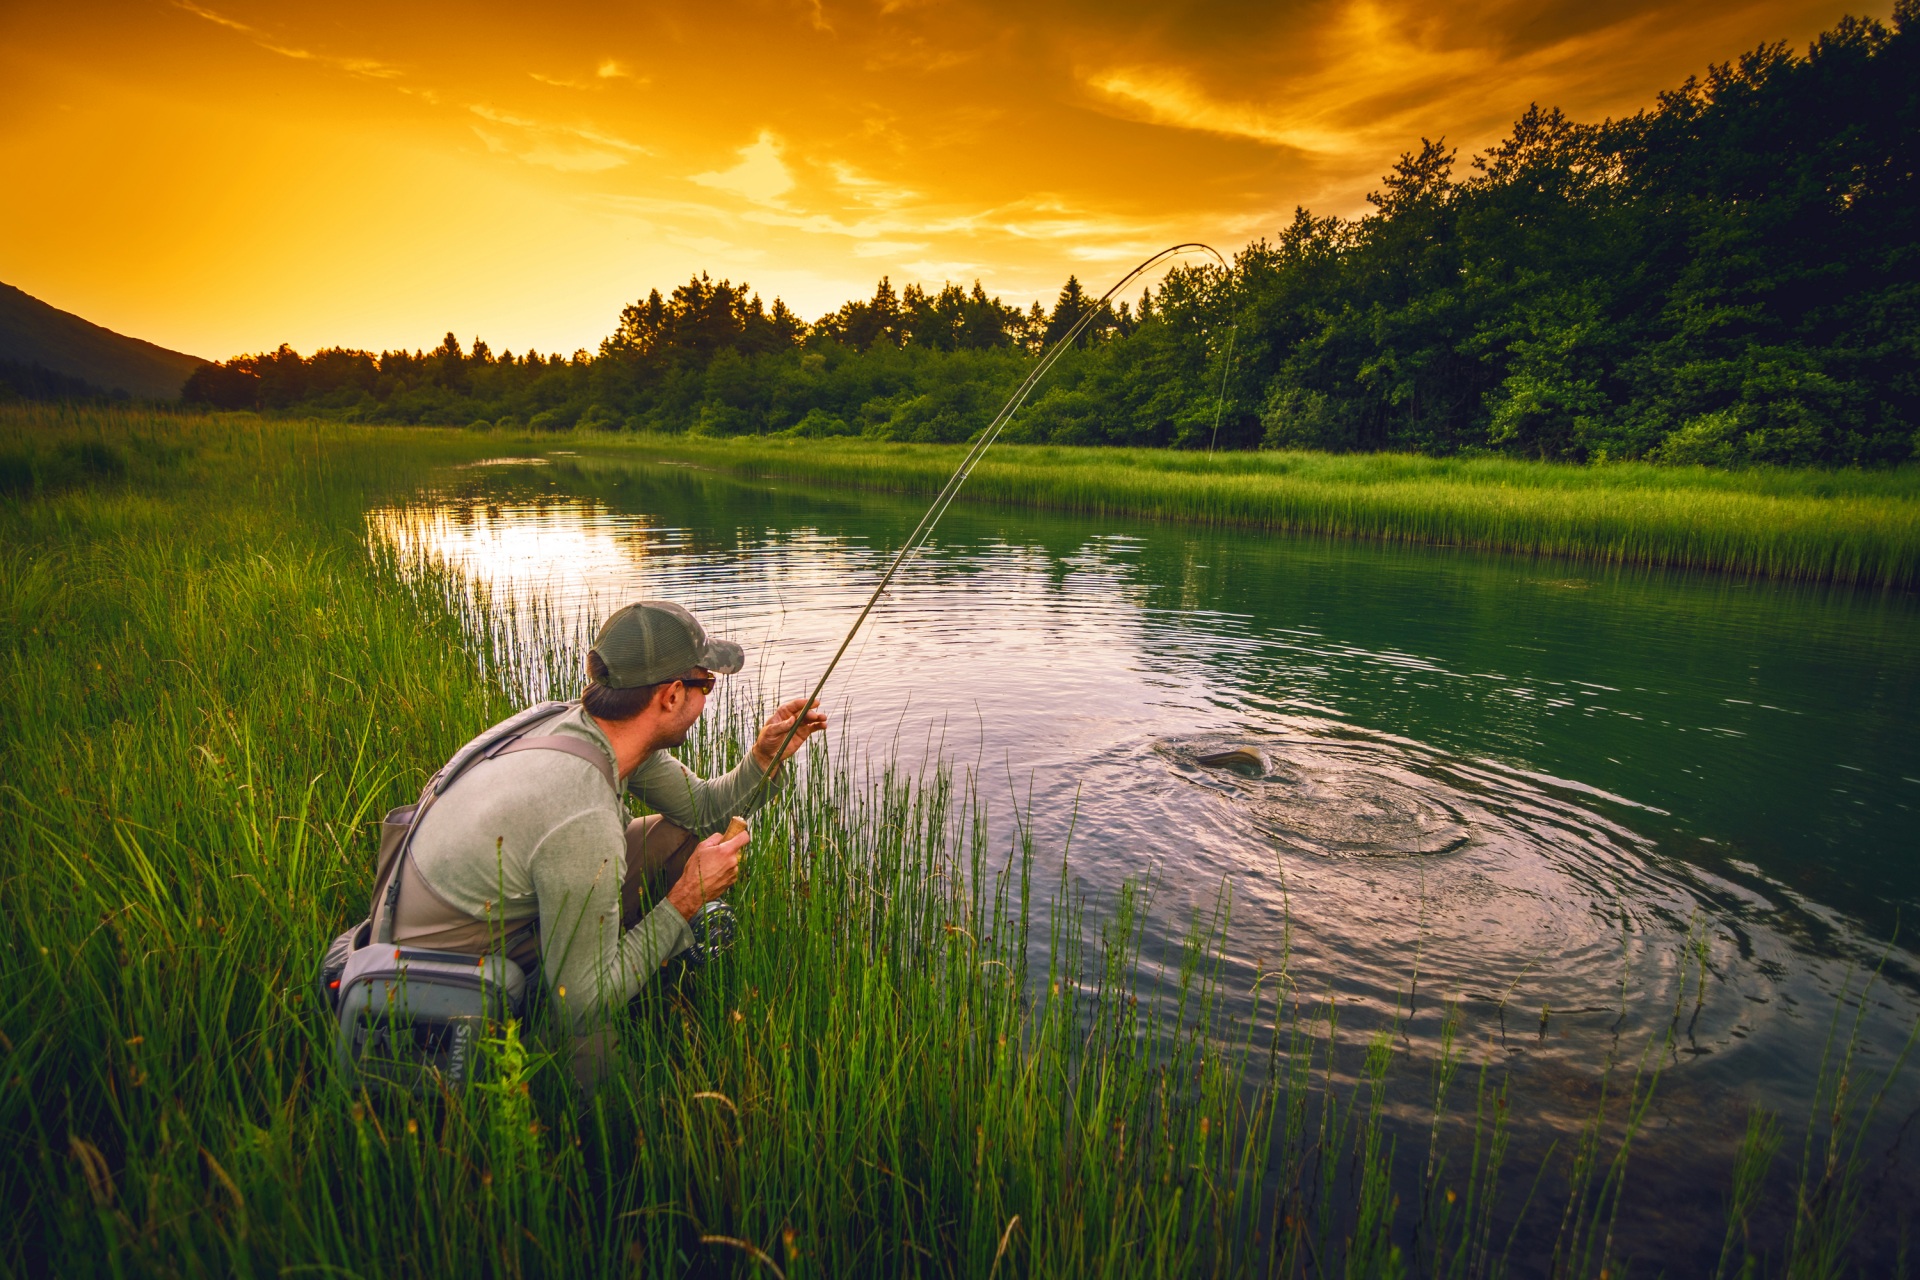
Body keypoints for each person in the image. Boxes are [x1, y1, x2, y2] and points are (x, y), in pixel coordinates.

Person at [374, 600, 825, 1069]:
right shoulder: (582, 812)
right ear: (671, 695)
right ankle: (577, 1101)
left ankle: (636, 955)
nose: (708, 696)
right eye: (705, 683)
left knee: (675, 836)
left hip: (479, 911)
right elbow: (580, 1002)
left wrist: (766, 756)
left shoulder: (586, 727)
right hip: (448, 973)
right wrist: (686, 899)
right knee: (593, 1031)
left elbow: (704, 813)